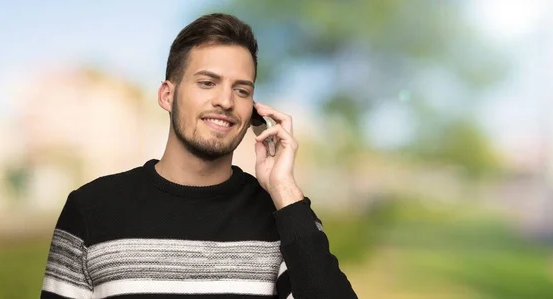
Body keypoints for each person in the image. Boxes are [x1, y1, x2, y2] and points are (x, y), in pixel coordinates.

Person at [40, 13, 358, 299]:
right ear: (168, 95)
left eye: (242, 90)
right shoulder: (91, 209)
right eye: (207, 83)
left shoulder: (285, 215)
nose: (225, 100)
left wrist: (285, 190)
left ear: (255, 112)